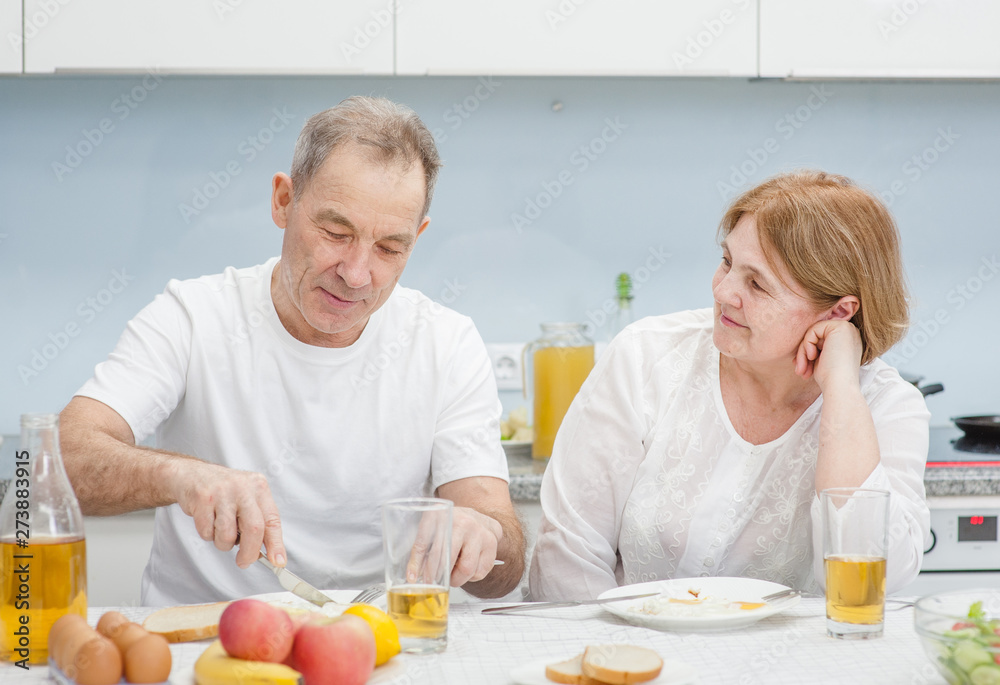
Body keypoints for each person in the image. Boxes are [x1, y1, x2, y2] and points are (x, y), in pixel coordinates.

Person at [60, 96, 525, 606]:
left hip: (375, 645)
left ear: (418, 237)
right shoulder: (194, 317)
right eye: (335, 233)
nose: (355, 274)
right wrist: (179, 476)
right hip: (202, 645)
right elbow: (65, 458)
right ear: (284, 200)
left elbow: (503, 558)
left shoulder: (446, 343)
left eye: (390, 248)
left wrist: (484, 539)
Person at [528, 170, 930, 600]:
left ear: (837, 312)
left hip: (795, 666)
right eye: (726, 262)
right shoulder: (646, 356)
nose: (723, 291)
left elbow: (865, 581)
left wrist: (842, 389)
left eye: (757, 283)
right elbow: (567, 553)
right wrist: (620, 659)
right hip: (633, 658)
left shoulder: (887, 406)